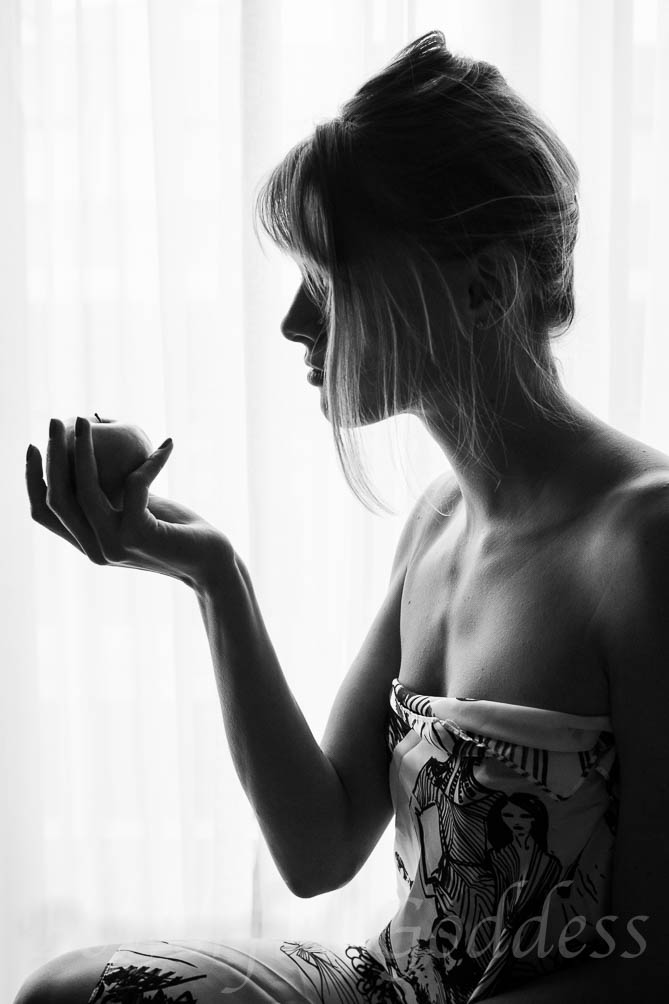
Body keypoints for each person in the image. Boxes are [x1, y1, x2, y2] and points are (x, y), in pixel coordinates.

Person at [16, 28, 668, 1004]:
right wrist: (214, 576)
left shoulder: (644, 543)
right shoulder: (439, 522)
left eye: (330, 279)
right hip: (388, 985)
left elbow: (653, 965)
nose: (294, 321)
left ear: (484, 286)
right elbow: (317, 847)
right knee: (62, 989)